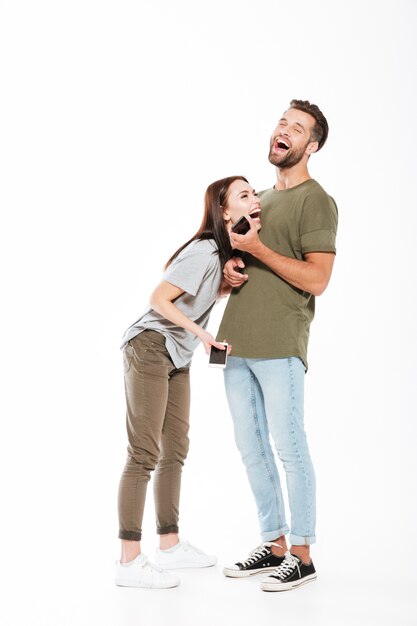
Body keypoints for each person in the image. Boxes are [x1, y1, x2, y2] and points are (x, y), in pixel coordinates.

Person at [115, 175, 261, 589]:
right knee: (144, 451)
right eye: (245, 195)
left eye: (255, 195)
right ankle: (128, 562)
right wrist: (203, 336)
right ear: (224, 210)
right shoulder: (205, 250)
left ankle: (170, 544)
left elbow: (192, 300)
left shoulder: (221, 257)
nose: (255, 201)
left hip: (175, 355)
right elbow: (158, 299)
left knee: (174, 449)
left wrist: (222, 287)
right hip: (149, 346)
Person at [217, 99, 338, 592]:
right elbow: (250, 269)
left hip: (281, 344)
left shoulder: (317, 200)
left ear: (312, 146)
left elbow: (319, 279)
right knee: (251, 449)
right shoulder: (259, 197)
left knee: (289, 446)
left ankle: (303, 555)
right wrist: (229, 273)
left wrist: (258, 249)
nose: (284, 130)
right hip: (235, 341)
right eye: (282, 122)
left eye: (298, 128)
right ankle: (274, 545)